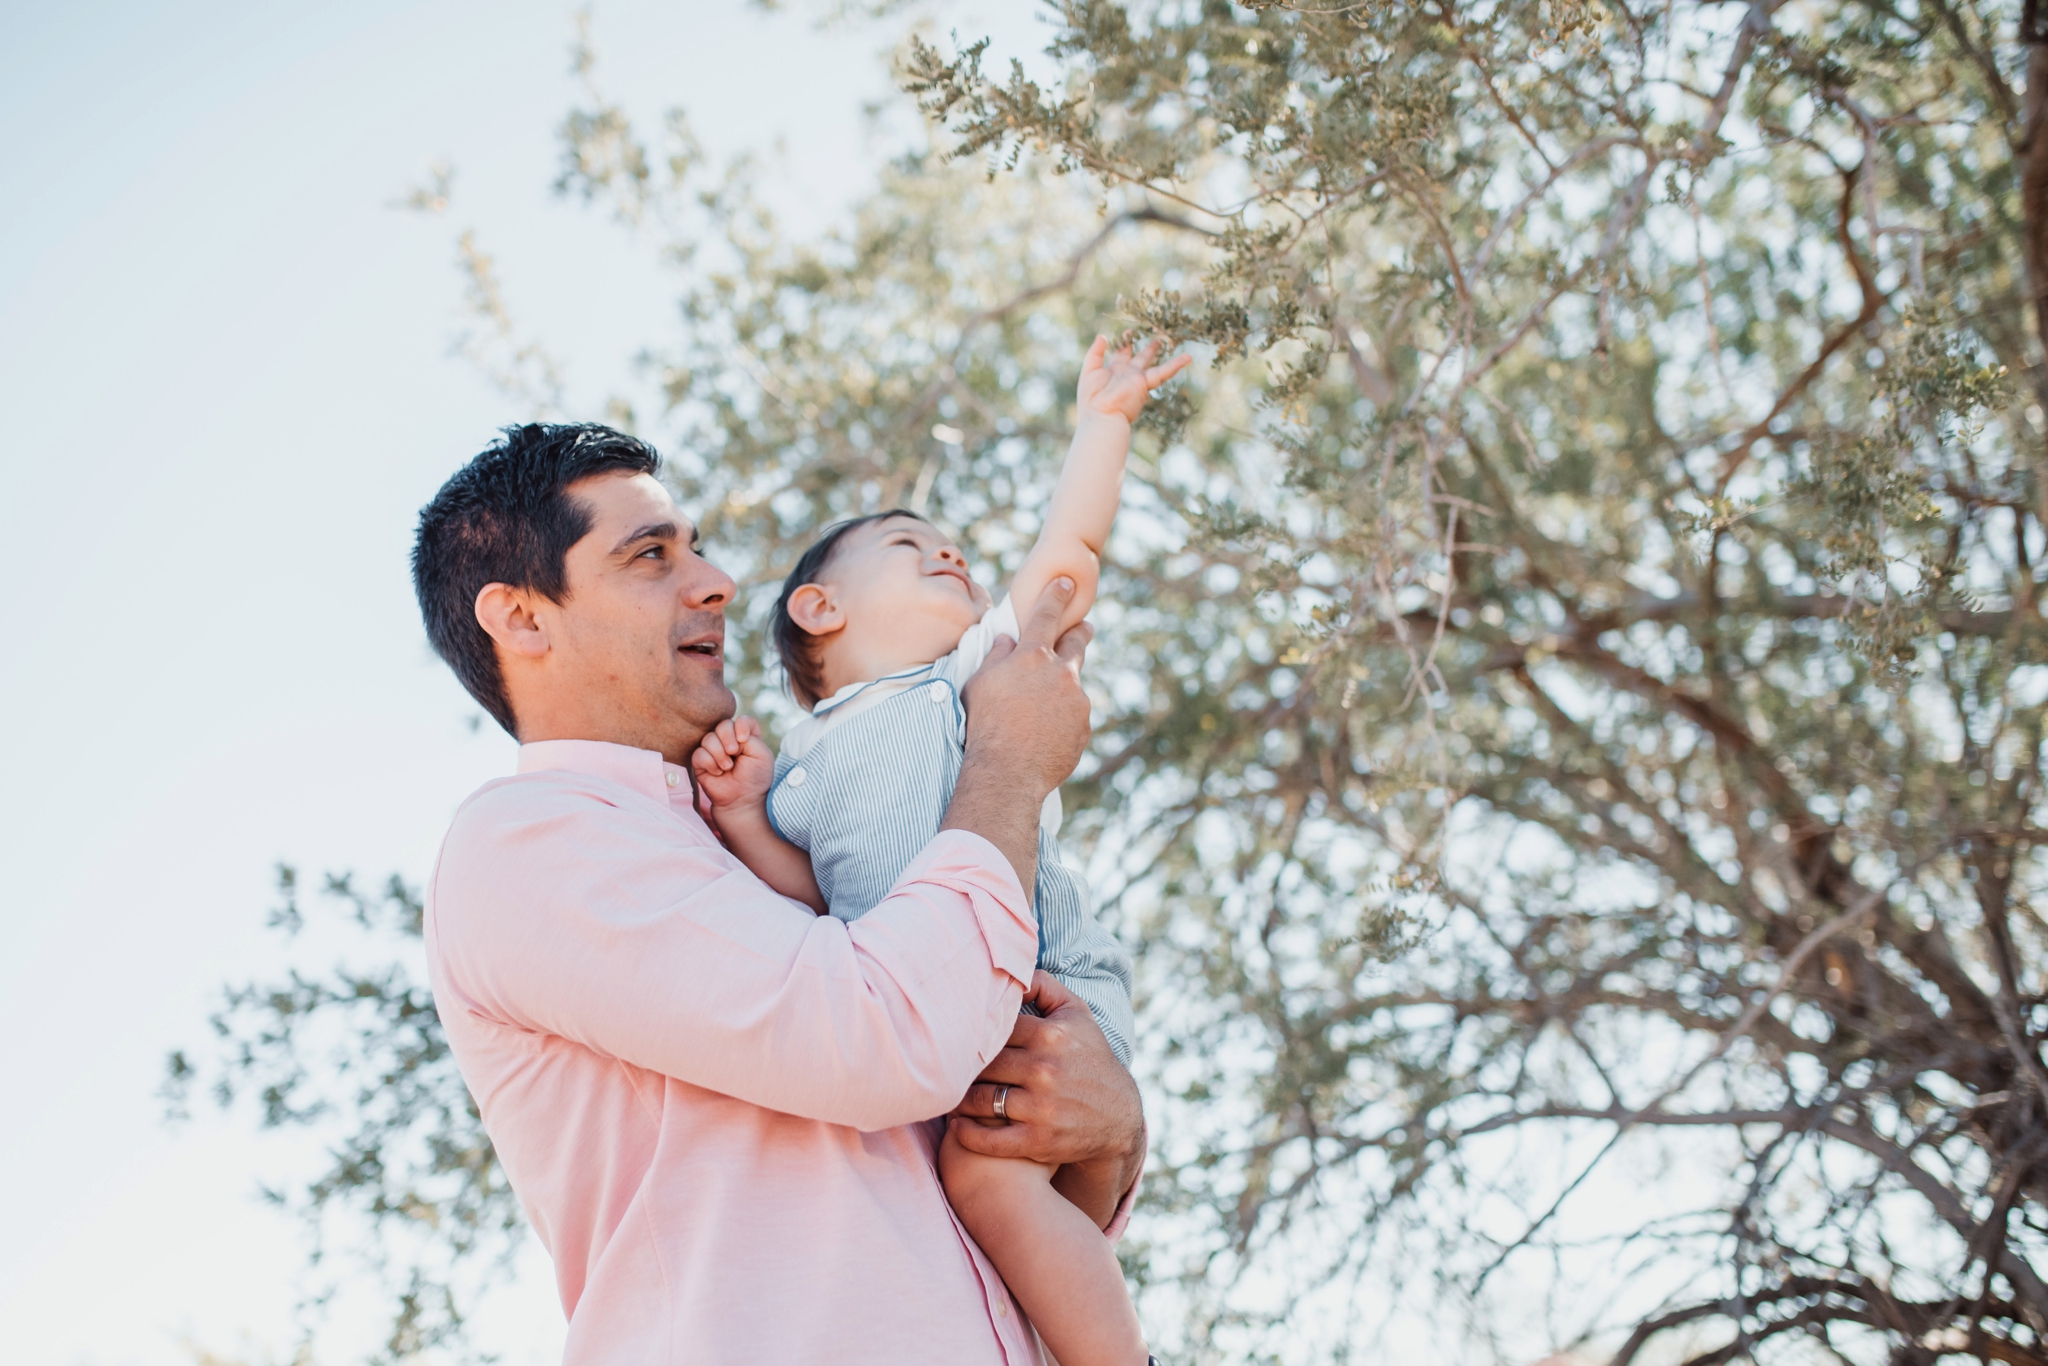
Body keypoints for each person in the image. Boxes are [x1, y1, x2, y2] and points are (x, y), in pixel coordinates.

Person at [409, 423, 1147, 1365]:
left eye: (698, 548)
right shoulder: (529, 842)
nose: (715, 582)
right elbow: (883, 1036)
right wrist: (1007, 761)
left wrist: (1109, 1129)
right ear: (521, 619)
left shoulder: (766, 832)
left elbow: (991, 1153)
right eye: (650, 556)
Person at [689, 335, 1187, 1366]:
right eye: (909, 544)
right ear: (818, 607)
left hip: (1046, 987)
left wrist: (1103, 425)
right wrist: (744, 818)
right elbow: (815, 898)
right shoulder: (800, 765)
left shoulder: (966, 673)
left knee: (984, 1175)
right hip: (934, 1011)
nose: (949, 553)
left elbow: (1067, 556)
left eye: (953, 546)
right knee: (976, 1180)